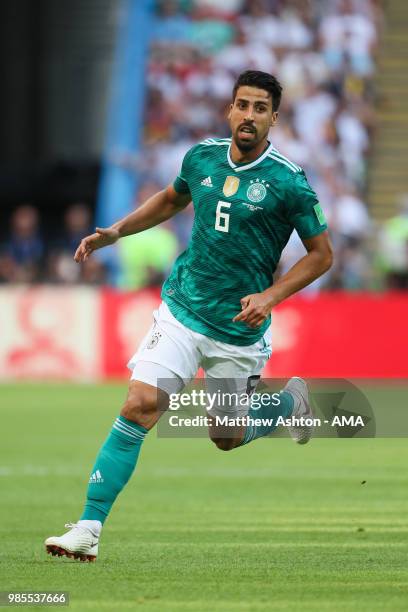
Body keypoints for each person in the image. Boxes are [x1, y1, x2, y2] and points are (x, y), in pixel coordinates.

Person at [45, 70, 333, 561]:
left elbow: (321, 255)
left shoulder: (288, 182)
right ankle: (89, 528)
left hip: (237, 331)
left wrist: (271, 295)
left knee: (225, 436)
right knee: (137, 406)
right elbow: (171, 199)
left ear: (274, 119)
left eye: (260, 108)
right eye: (242, 104)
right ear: (229, 109)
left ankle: (289, 402)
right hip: (182, 308)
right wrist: (116, 232)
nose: (248, 116)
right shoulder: (201, 156)